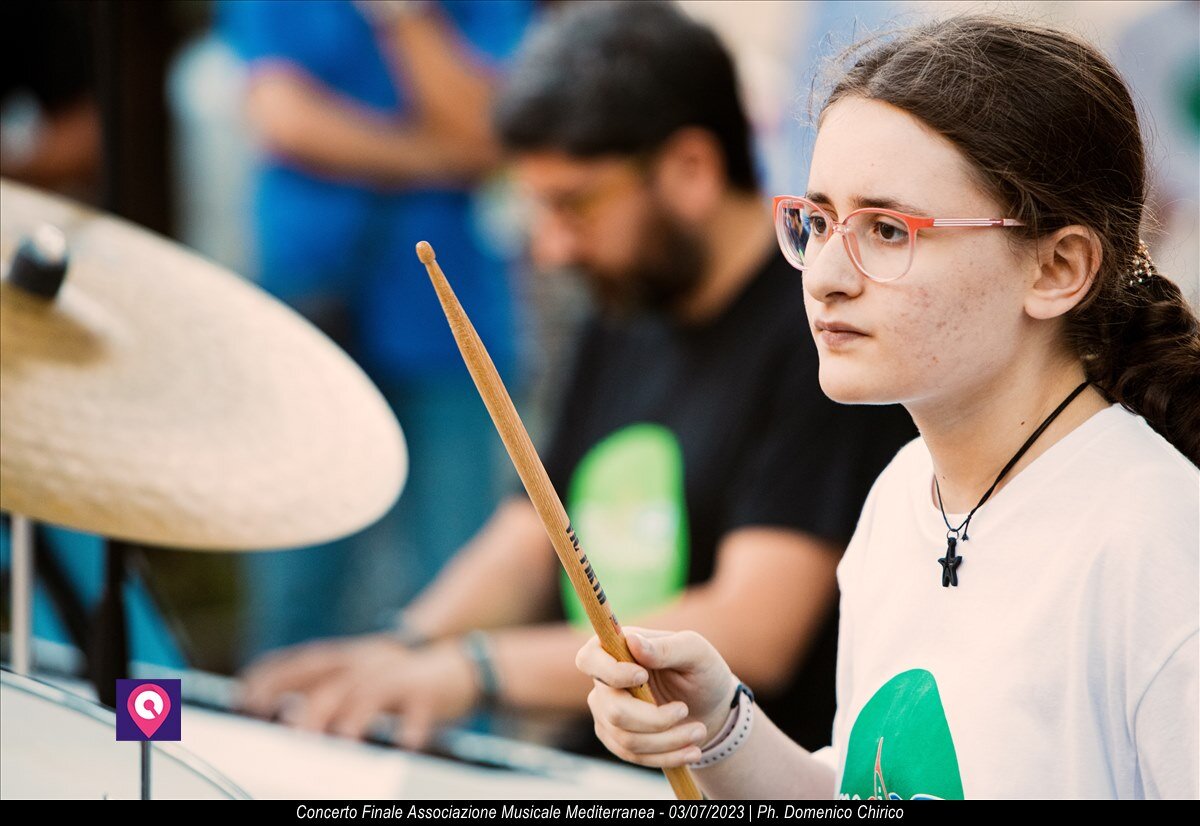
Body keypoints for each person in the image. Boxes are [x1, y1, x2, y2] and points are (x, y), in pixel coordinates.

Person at [234, 1, 916, 760]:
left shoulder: (818, 334)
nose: (551, 248)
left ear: (689, 168)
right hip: (597, 761)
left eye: (574, 204)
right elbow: (532, 535)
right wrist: (404, 647)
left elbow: (754, 628)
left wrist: (469, 672)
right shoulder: (629, 303)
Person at [576, 14, 1200, 798]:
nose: (826, 272)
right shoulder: (903, 494)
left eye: (887, 229)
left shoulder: (1157, 541)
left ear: (1057, 267)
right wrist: (718, 723)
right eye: (820, 219)